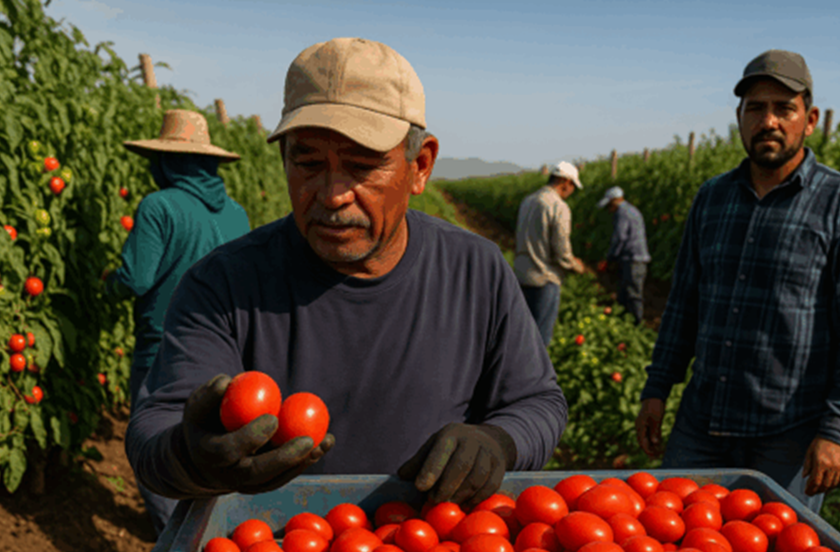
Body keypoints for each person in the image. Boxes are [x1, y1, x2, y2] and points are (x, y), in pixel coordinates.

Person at [124, 38, 568, 519]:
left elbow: (537, 400)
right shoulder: (223, 286)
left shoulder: (475, 270)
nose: (333, 195)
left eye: (361, 166)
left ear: (419, 166)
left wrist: (500, 441)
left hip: (429, 543)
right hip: (281, 546)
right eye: (308, 163)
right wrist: (191, 457)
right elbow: (155, 427)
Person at [634, 49, 840, 513]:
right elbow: (684, 304)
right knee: (675, 538)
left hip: (789, 432)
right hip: (702, 421)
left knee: (775, 549)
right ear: (740, 118)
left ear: (808, 120)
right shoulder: (712, 199)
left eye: (783, 109)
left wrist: (838, 430)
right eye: (755, 108)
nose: (768, 120)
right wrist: (656, 388)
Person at [104, 109, 251, 537]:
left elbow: (136, 277)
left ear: (167, 162)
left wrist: (106, 284)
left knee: (158, 447)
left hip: (161, 344)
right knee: (214, 448)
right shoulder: (236, 215)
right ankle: (217, 537)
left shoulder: (159, 205)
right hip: (227, 346)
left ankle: (179, 542)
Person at [513, 161, 586, 346]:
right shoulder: (558, 207)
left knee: (521, 336)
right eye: (572, 186)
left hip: (521, 276)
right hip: (544, 279)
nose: (571, 191)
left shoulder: (528, 200)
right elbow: (561, 250)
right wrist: (575, 265)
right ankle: (533, 375)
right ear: (565, 181)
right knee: (539, 341)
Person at [596, 186, 650, 326]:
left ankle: (636, 327)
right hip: (635, 259)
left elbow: (620, 237)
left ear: (614, 201)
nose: (609, 209)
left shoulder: (622, 212)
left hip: (633, 259)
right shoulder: (632, 210)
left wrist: (610, 257)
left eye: (609, 205)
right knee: (626, 294)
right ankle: (626, 324)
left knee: (633, 295)